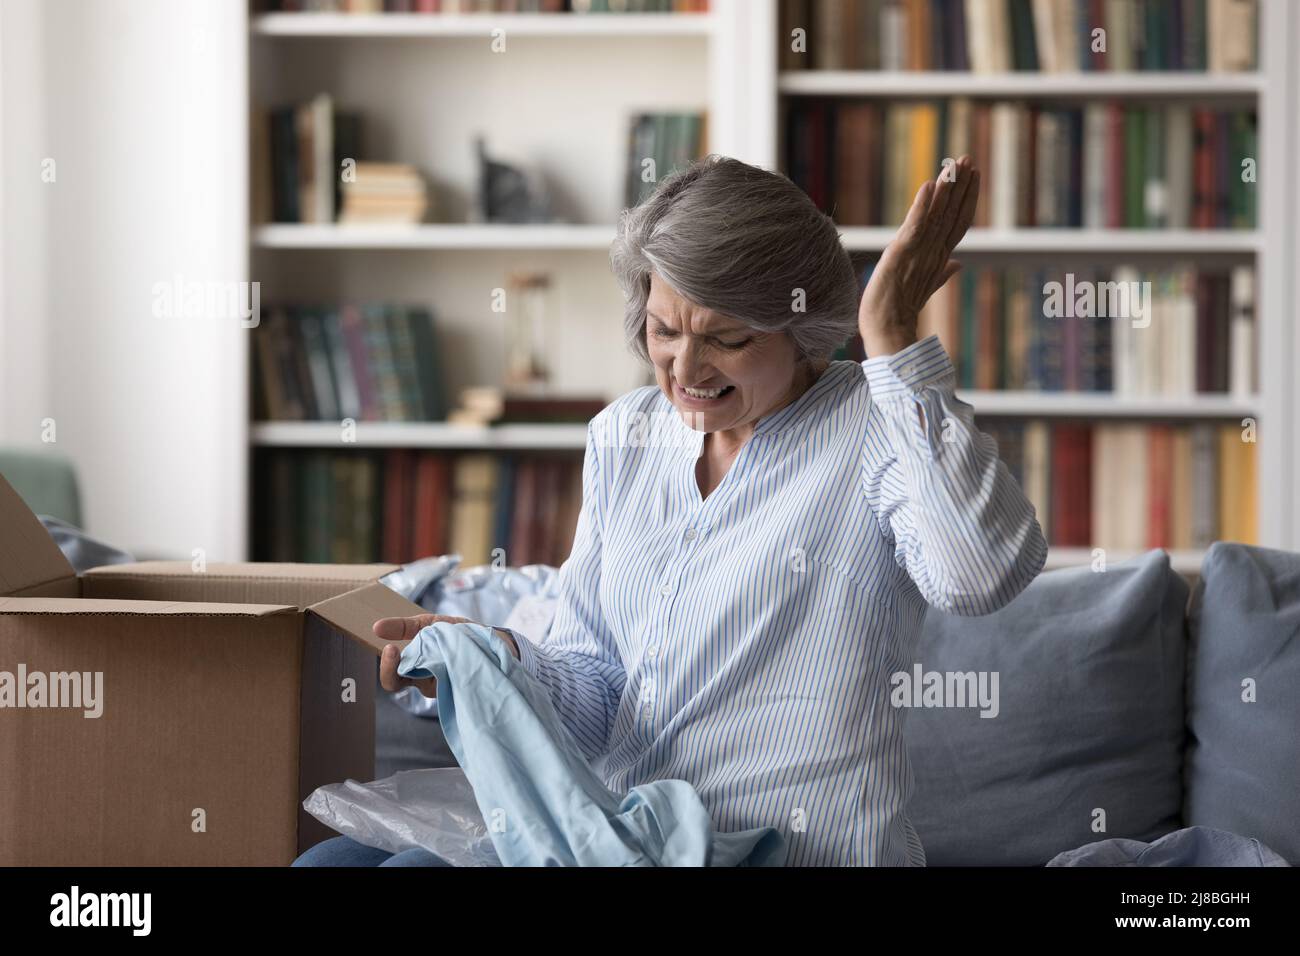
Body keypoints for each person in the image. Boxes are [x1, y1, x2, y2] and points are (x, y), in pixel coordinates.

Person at [296, 153, 1046, 867]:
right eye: (664, 330)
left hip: (789, 850)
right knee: (333, 860)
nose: (685, 369)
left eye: (728, 338)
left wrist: (890, 336)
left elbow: (978, 577)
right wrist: (496, 660)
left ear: (805, 328)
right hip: (622, 842)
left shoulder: (877, 423)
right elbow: (596, 689)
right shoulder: (624, 434)